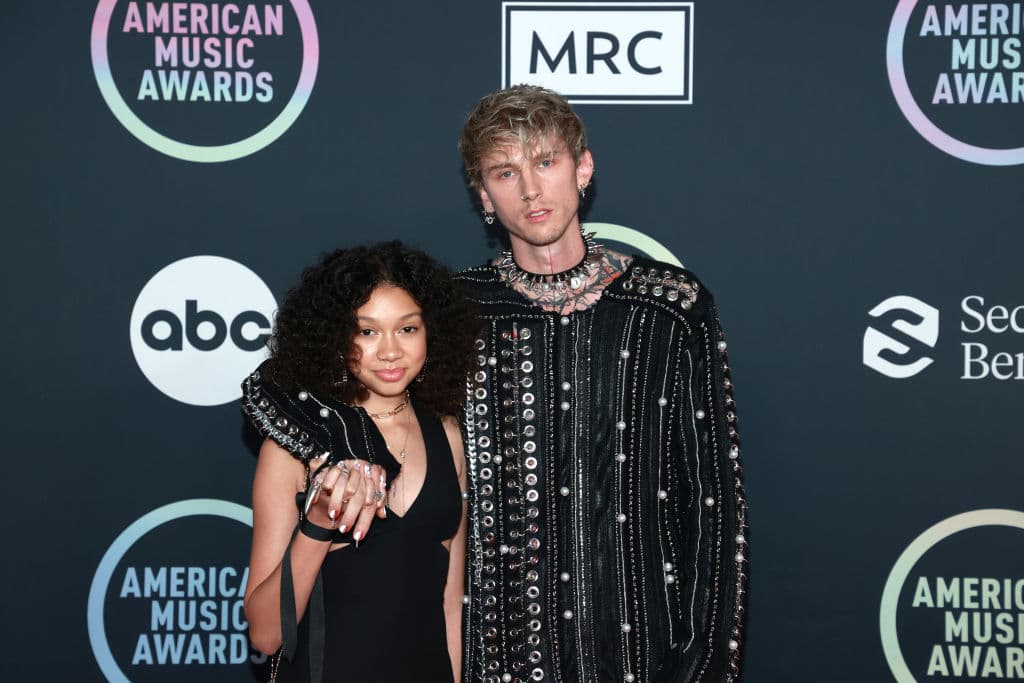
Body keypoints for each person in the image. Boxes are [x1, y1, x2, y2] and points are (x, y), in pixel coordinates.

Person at [454, 85, 749, 682]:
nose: (530, 190)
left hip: (643, 652)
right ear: (484, 195)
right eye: (505, 172)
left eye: (545, 162)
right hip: (496, 653)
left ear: (582, 168)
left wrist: (703, 668)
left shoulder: (669, 306)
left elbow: (713, 501)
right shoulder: (454, 313)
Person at [240, 242, 479, 683]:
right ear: (335, 338)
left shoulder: (447, 433)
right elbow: (266, 635)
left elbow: (449, 606)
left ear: (433, 332)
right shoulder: (298, 445)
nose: (390, 351)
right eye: (367, 332)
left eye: (407, 329)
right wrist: (318, 522)